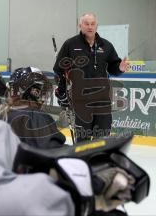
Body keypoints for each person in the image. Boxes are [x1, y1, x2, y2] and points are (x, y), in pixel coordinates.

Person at [53, 13, 129, 142]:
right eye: (86, 24)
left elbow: (113, 68)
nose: (90, 27)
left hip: (102, 101)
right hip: (81, 101)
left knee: (103, 139)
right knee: (83, 141)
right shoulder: (70, 44)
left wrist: (120, 68)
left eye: (92, 24)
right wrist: (61, 92)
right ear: (80, 25)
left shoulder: (106, 46)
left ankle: (100, 162)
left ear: (97, 26)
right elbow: (58, 69)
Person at [7, 66, 66, 149]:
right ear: (31, 91)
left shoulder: (5, 113)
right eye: (40, 89)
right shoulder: (36, 116)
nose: (43, 95)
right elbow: (54, 151)